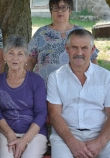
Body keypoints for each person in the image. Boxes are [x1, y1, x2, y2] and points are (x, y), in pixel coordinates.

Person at [47, 29, 110, 158]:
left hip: (101, 133)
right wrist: (73, 143)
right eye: (74, 48)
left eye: (84, 48)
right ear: (67, 48)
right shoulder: (56, 77)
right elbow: (54, 115)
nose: (79, 53)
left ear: (93, 50)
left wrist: (98, 144)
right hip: (66, 135)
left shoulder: (106, 77)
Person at [0, 35, 48, 158]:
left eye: (20, 54)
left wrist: (24, 140)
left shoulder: (36, 81)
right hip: (6, 133)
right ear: (4, 57)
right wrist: (11, 136)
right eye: (11, 53)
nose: (15, 58)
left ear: (26, 58)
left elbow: (41, 113)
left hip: (34, 134)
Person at [26, 0, 98, 84]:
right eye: (55, 8)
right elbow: (30, 60)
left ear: (70, 10)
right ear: (51, 11)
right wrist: (26, 83)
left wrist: (94, 81)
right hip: (43, 88)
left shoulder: (81, 32)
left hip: (75, 87)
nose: (60, 11)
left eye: (64, 7)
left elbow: (92, 57)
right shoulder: (41, 33)